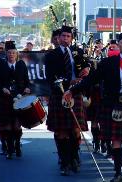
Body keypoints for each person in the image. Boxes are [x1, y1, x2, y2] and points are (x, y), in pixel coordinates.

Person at [64, 33, 122, 182]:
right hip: (112, 104)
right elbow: (91, 79)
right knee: (115, 140)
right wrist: (72, 90)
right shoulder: (107, 62)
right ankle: (117, 173)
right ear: (118, 45)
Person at [45, 25, 89, 176]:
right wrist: (67, 84)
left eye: (68, 36)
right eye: (62, 36)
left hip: (75, 94)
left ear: (71, 38)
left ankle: (74, 155)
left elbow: (86, 67)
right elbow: (50, 78)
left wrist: (87, 69)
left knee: (76, 130)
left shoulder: (78, 52)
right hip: (59, 95)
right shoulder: (51, 55)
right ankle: (64, 161)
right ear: (58, 38)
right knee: (61, 131)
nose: (65, 39)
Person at [0, 41, 30, 159]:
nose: (11, 55)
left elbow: (27, 80)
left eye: (13, 53)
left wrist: (27, 88)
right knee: (6, 126)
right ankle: (9, 149)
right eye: (9, 53)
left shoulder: (21, 65)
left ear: (17, 53)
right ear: (6, 53)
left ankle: (17, 146)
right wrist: (0, 87)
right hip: (4, 99)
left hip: (18, 99)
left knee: (16, 125)